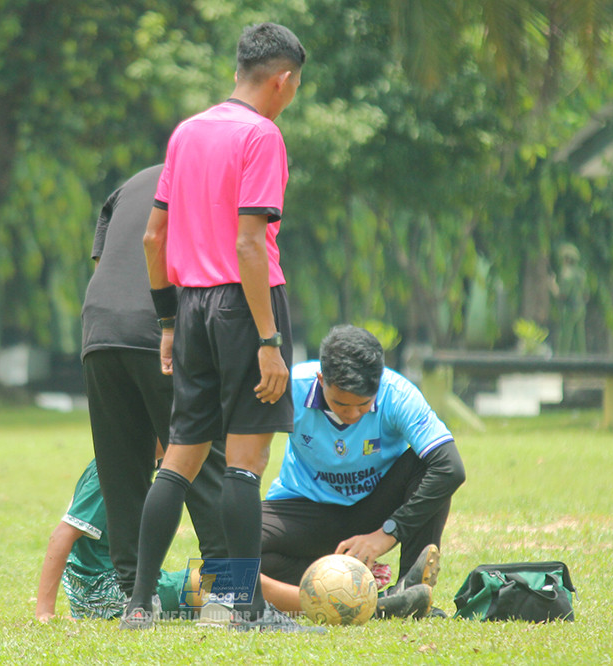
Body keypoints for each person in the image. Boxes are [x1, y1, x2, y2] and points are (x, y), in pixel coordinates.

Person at [121, 23, 317, 633]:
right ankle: (242, 606)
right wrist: (267, 340)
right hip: (244, 306)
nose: (292, 96)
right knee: (245, 464)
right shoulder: (263, 135)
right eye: (296, 86)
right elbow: (250, 243)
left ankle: (138, 603)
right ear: (281, 80)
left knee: (178, 460)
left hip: (192, 304)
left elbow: (154, 236)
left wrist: (169, 323)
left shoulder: (187, 133)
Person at [81, 164, 228, 600]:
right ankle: (229, 596)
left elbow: (102, 263)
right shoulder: (215, 179)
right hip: (163, 328)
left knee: (121, 470)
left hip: (100, 331)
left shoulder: (128, 185)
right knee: (205, 462)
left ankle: (135, 600)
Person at [258, 325, 466, 619]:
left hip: (375, 509)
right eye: (341, 403)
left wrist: (386, 534)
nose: (352, 415)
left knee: (430, 466)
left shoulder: (398, 394)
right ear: (321, 379)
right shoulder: (291, 387)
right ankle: (372, 601)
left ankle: (408, 585)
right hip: (304, 510)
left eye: (363, 405)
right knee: (234, 546)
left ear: (379, 384)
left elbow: (451, 468)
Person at [34, 459, 195, 620]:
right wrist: (44, 612)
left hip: (103, 590)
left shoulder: (114, 458)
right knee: (212, 582)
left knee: (207, 578)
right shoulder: (117, 468)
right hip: (109, 593)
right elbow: (62, 533)